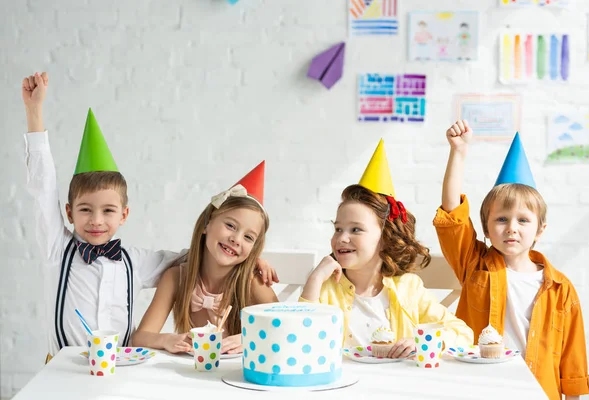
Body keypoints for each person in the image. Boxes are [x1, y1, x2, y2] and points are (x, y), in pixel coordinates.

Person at [21, 72, 276, 361]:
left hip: (120, 372)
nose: (96, 220)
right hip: (63, 372)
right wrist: (34, 112)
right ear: (68, 212)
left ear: (124, 214)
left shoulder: (134, 262)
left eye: (108, 210)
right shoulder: (58, 248)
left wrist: (250, 255)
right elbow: (42, 188)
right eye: (85, 209)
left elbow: (197, 257)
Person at [434, 120, 589, 399]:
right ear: (485, 228)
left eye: (523, 220)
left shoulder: (560, 289)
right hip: (477, 388)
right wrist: (458, 152)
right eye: (501, 219)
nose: (511, 228)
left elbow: (572, 359)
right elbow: (452, 215)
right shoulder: (474, 265)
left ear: (540, 230)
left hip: (538, 391)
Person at [301, 140, 473, 358]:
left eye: (356, 230)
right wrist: (314, 280)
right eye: (338, 229)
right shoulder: (325, 288)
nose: (342, 238)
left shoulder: (408, 289)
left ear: (385, 237)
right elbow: (300, 339)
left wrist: (425, 342)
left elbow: (462, 333)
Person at [132, 162, 278, 354]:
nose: (236, 239)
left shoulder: (252, 282)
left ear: (253, 249)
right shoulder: (176, 278)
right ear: (206, 225)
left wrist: (249, 339)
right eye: (231, 226)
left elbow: (285, 327)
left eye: (248, 237)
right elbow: (140, 338)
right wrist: (168, 339)